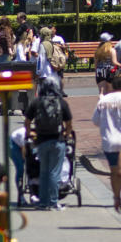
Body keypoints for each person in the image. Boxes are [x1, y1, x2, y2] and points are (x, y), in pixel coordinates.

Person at [92, 72, 121, 211]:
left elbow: (95, 120)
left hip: (109, 141)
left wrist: (107, 123)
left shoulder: (104, 100)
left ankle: (117, 196)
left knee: (114, 171)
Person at [24, 75, 73, 211]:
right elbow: (69, 123)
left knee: (44, 172)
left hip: (41, 141)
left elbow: (27, 121)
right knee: (54, 173)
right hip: (57, 141)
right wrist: (66, 134)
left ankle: (43, 201)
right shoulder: (61, 102)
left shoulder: (36, 102)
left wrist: (30, 133)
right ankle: (53, 201)